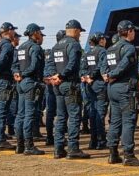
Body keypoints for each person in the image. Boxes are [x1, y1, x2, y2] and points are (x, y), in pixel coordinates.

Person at [99, 20, 139, 166]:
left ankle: (113, 153)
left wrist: (106, 75)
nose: (135, 33)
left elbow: (103, 66)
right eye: (133, 31)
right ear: (129, 31)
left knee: (115, 122)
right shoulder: (129, 48)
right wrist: (112, 74)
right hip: (125, 88)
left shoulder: (110, 49)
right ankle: (129, 155)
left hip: (112, 88)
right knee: (128, 121)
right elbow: (123, 65)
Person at [45, 19, 90, 159]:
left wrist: (54, 76)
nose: (80, 35)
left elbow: (50, 63)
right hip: (69, 84)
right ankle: (73, 148)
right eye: (79, 32)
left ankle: (58, 149)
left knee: (61, 117)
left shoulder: (57, 45)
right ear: (75, 30)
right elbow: (73, 64)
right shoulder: (74, 45)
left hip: (57, 86)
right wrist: (62, 76)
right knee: (74, 116)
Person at [14, 23, 46, 155]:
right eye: (39, 31)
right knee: (29, 114)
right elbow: (34, 66)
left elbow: (15, 65)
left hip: (20, 83)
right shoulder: (35, 48)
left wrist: (17, 74)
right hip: (30, 82)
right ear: (35, 33)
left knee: (20, 114)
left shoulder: (21, 47)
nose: (40, 34)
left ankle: (19, 145)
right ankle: (29, 146)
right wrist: (24, 74)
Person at [82, 32, 108, 150]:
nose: (105, 41)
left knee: (93, 112)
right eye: (103, 39)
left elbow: (82, 68)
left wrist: (86, 76)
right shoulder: (102, 51)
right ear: (100, 40)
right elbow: (101, 67)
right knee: (100, 113)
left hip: (88, 84)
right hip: (98, 83)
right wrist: (92, 76)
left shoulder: (87, 52)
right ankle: (101, 140)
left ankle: (93, 140)